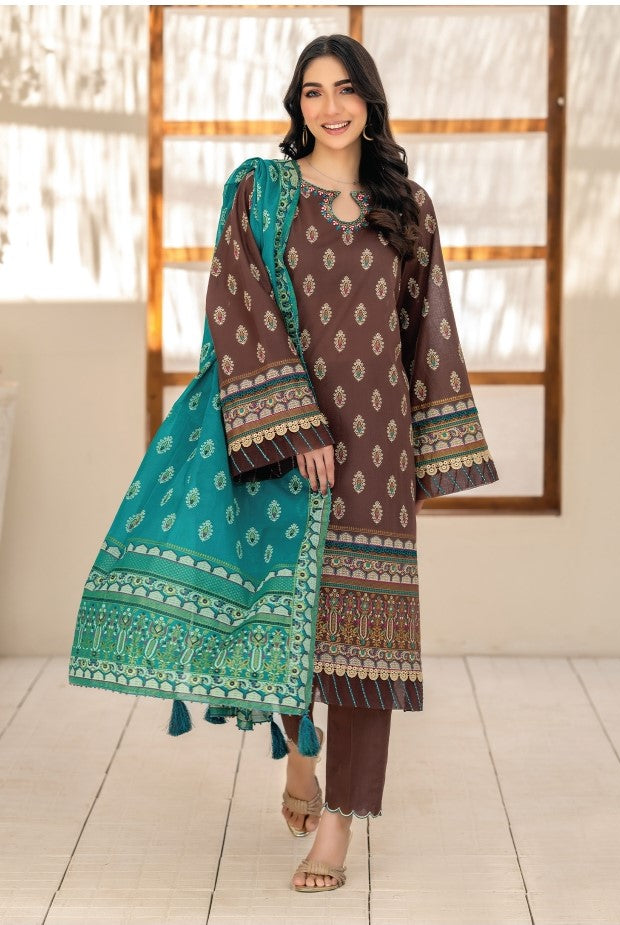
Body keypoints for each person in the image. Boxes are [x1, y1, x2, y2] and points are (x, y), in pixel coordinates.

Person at [203, 34, 499, 891]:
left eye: (345, 91)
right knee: (290, 613)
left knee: (366, 637)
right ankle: (301, 755)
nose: (328, 108)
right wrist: (296, 426)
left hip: (376, 445)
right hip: (290, 436)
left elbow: (426, 329)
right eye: (311, 93)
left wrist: (424, 451)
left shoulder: (406, 204)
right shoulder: (264, 194)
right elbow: (236, 302)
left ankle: (337, 829)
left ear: (370, 99)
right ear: (296, 105)